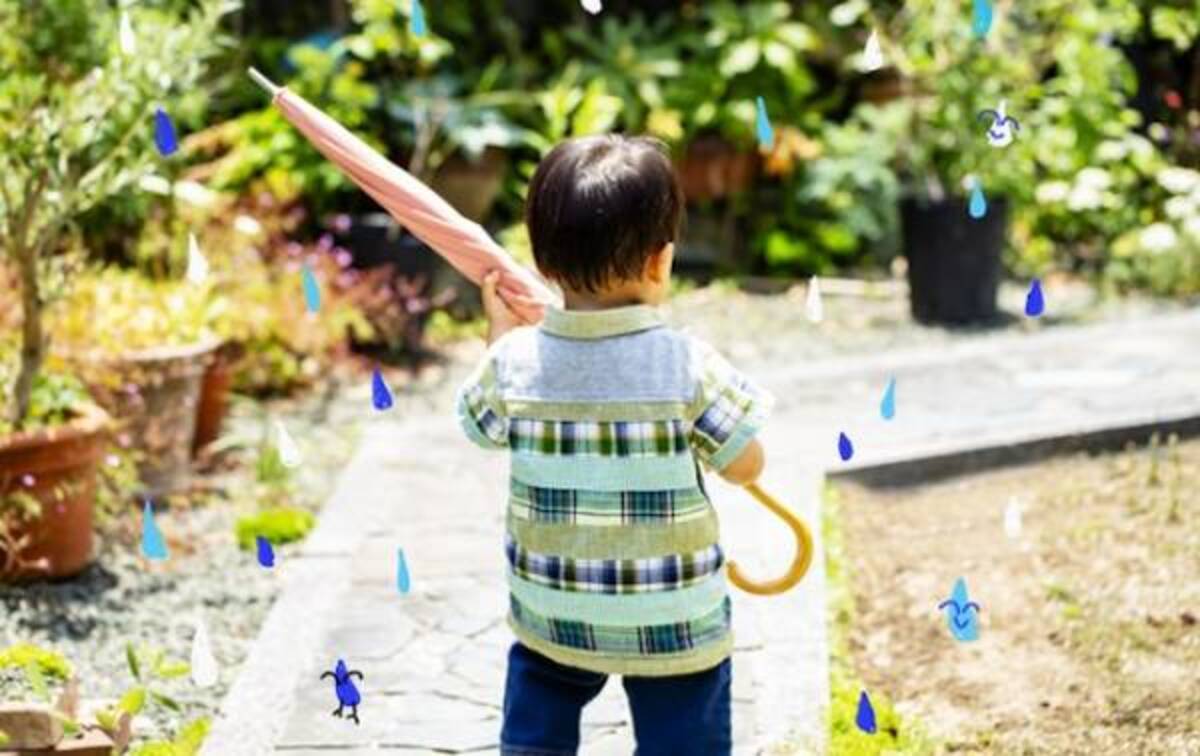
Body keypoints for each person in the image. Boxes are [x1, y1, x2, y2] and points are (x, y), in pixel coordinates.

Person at [456, 135, 773, 755]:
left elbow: (478, 426)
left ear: (544, 263)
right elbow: (746, 465)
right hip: (672, 620)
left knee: (538, 715)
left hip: (555, 613)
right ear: (661, 262)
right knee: (684, 736)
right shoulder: (686, 365)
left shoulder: (516, 364)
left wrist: (497, 343)